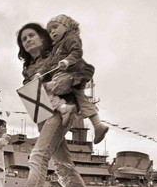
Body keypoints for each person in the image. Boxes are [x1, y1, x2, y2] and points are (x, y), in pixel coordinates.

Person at [0, 23, 99, 187]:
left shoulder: (58, 53)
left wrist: (67, 80)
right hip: (43, 114)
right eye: (24, 39)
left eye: (32, 35)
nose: (28, 40)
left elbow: (86, 69)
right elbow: (34, 94)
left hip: (62, 111)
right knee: (63, 166)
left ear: (43, 38)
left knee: (38, 157)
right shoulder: (28, 67)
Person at [45, 14, 109, 144]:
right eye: (50, 31)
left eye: (55, 27)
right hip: (76, 76)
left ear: (66, 26)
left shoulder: (70, 38)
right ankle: (97, 125)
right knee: (82, 99)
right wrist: (40, 72)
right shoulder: (55, 47)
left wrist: (67, 61)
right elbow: (48, 64)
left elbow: (77, 52)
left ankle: (63, 108)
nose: (52, 32)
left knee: (44, 89)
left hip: (67, 73)